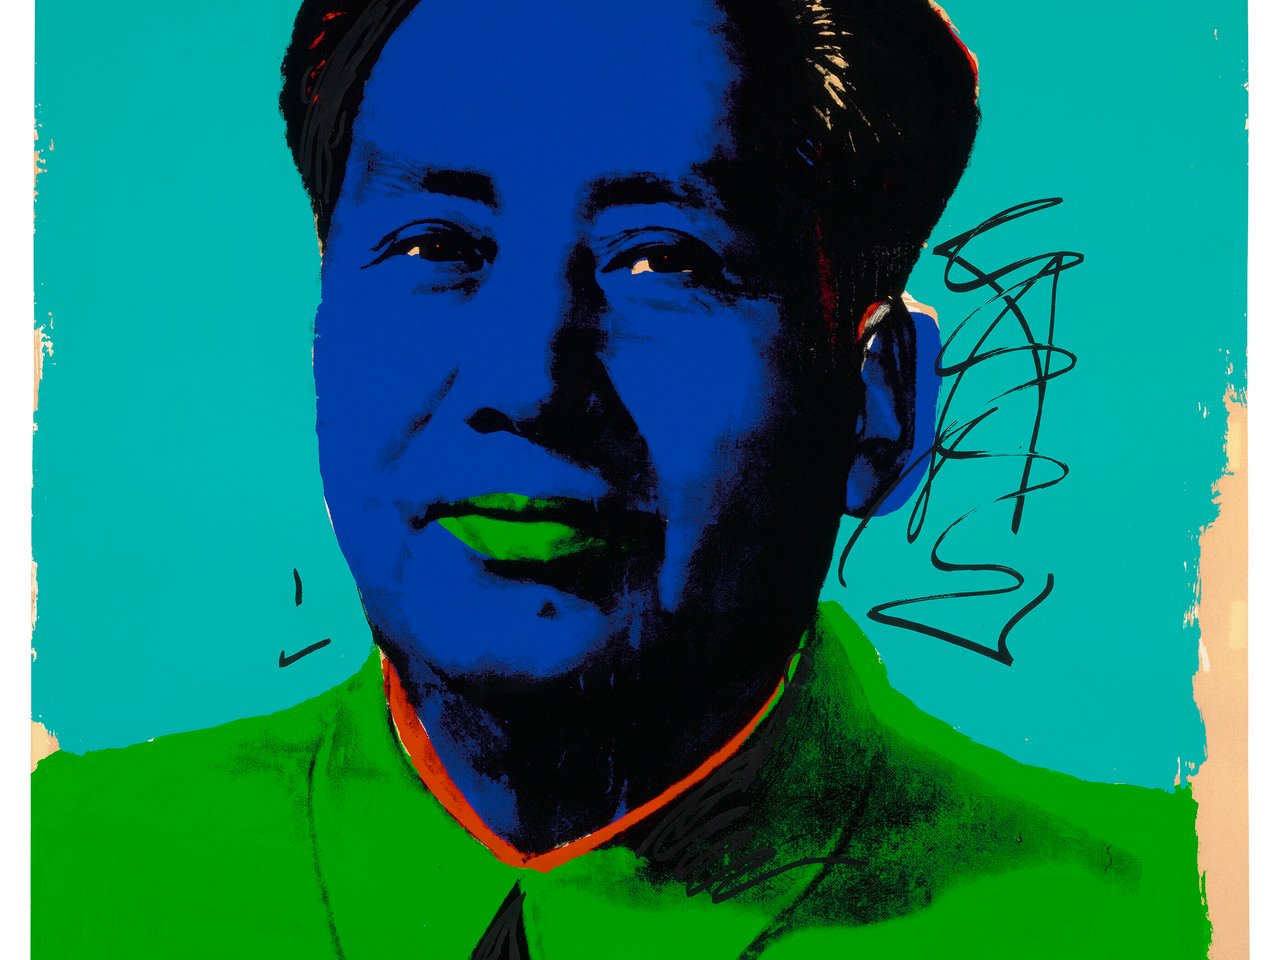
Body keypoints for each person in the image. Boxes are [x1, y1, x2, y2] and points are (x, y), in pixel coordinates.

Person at [31, 1, 1210, 957]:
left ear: (879, 406)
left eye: (662, 260)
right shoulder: (59, 874)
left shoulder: (1156, 922)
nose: (523, 381)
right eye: (436, 246)